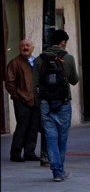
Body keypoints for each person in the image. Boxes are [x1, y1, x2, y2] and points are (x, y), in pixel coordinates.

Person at [33, 29, 79, 183]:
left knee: (51, 137)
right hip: (63, 103)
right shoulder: (68, 58)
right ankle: (60, 170)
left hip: (45, 104)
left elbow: (34, 84)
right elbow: (74, 80)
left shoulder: (39, 60)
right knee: (62, 138)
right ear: (63, 43)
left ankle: (57, 172)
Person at [5, 38, 44, 163]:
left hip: (35, 99)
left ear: (32, 48)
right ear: (19, 48)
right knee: (22, 126)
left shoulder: (36, 62)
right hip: (22, 100)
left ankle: (29, 152)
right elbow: (9, 83)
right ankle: (16, 153)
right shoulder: (14, 63)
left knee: (33, 127)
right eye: (22, 45)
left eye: (28, 45)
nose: (25, 47)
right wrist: (17, 96)